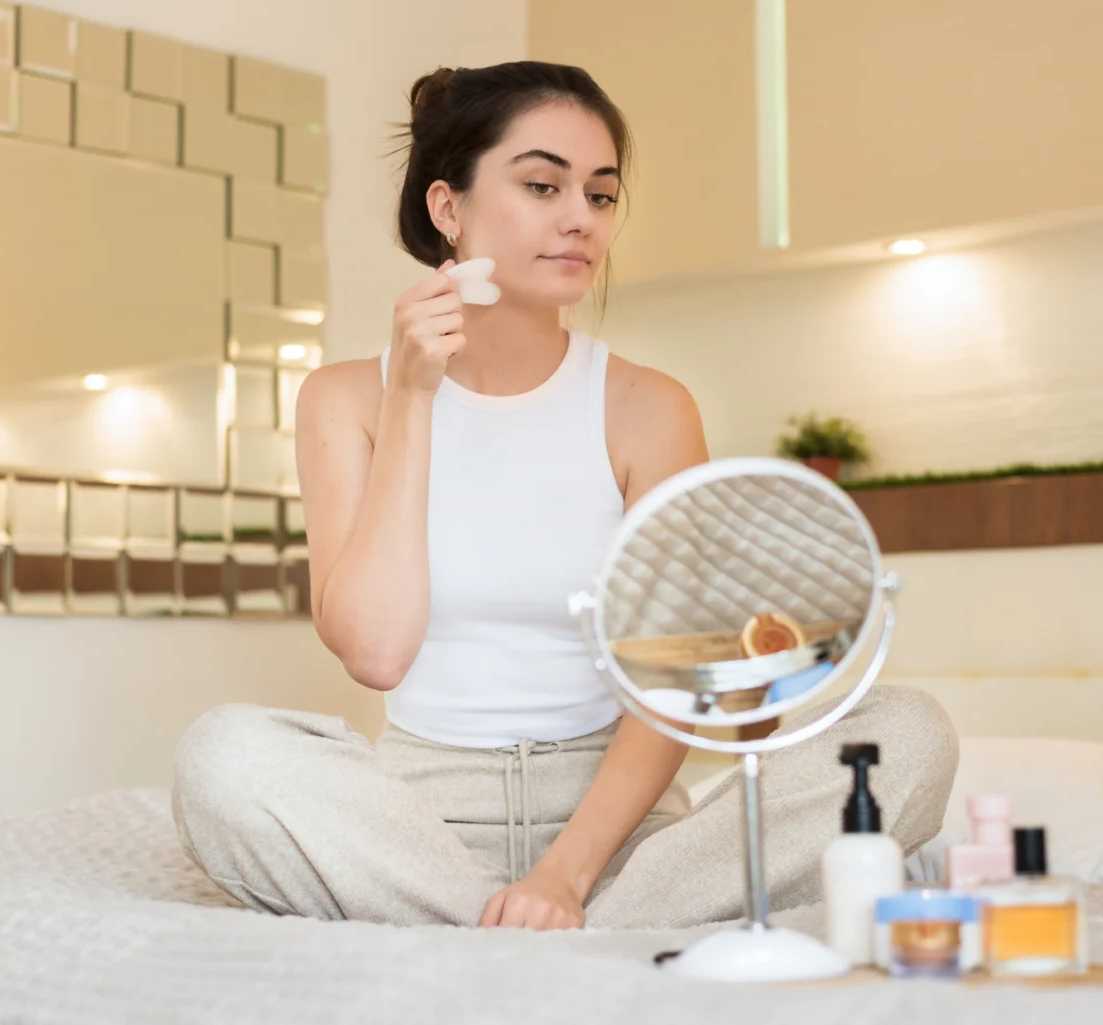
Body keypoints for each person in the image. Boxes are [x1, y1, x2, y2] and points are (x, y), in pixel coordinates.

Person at [172, 61, 957, 931]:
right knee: (224, 757)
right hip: (418, 826)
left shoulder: (649, 408)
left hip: (620, 834)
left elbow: (676, 685)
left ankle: (550, 920)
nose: (580, 217)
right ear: (449, 208)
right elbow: (377, 653)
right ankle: (529, 922)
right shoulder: (346, 400)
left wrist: (563, 875)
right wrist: (413, 399)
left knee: (907, 733)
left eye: (602, 194)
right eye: (544, 185)